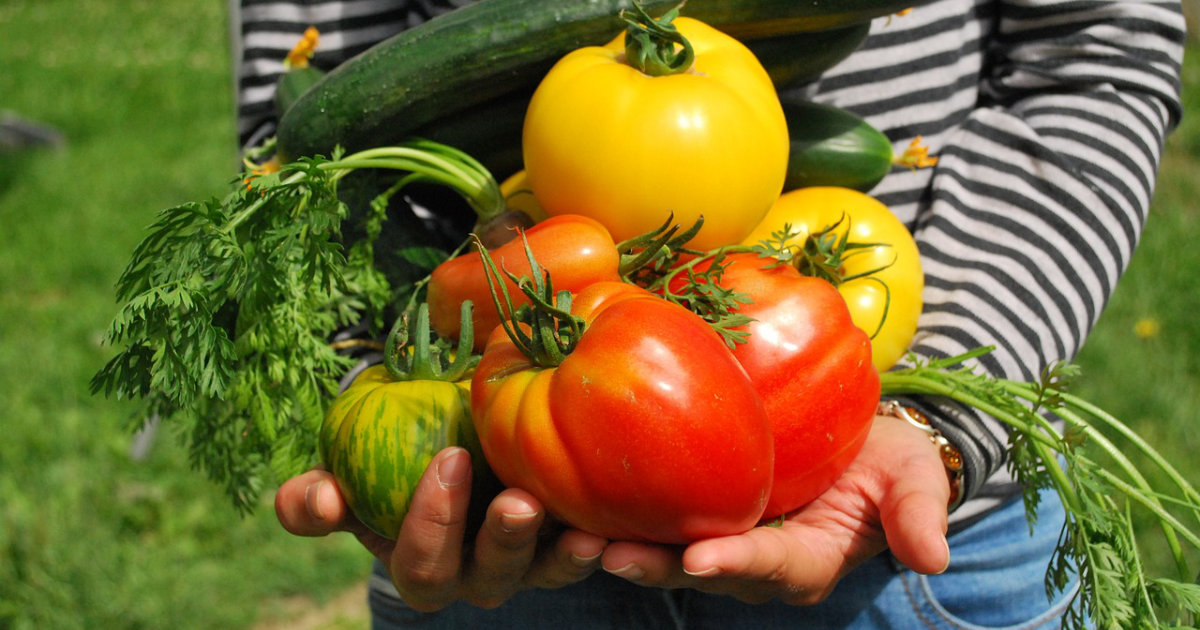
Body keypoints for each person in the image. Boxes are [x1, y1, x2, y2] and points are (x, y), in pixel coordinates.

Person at [240, 0, 1187, 627]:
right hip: (493, 504)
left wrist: (942, 417)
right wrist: (378, 387)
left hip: (914, 540)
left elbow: (1094, 61)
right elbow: (304, 137)